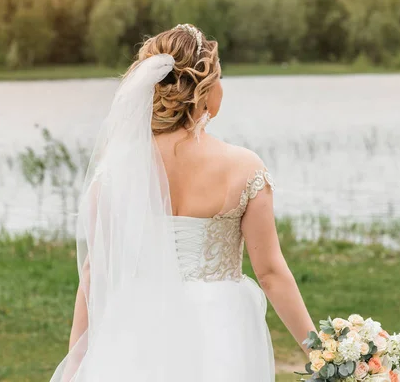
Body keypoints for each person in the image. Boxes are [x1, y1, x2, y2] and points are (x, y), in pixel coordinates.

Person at [50, 24, 315, 382]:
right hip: (221, 324)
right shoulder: (243, 167)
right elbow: (269, 274)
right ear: (203, 89)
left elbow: (94, 275)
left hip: (137, 324)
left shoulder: (114, 172)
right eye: (220, 77)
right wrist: (320, 351)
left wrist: (78, 359)